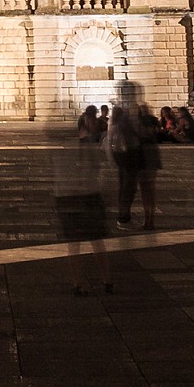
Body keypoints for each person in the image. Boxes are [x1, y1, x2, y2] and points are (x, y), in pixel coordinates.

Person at [51, 112, 114, 294]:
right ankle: (106, 280)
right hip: (89, 197)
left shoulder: (60, 152)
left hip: (68, 198)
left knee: (74, 244)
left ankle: (77, 283)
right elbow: (100, 173)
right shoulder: (92, 148)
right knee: (96, 242)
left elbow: (59, 177)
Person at [107, 82, 160, 229]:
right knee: (135, 186)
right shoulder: (139, 108)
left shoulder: (126, 109)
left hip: (131, 152)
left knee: (130, 186)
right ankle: (128, 219)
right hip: (133, 152)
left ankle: (128, 218)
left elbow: (111, 134)